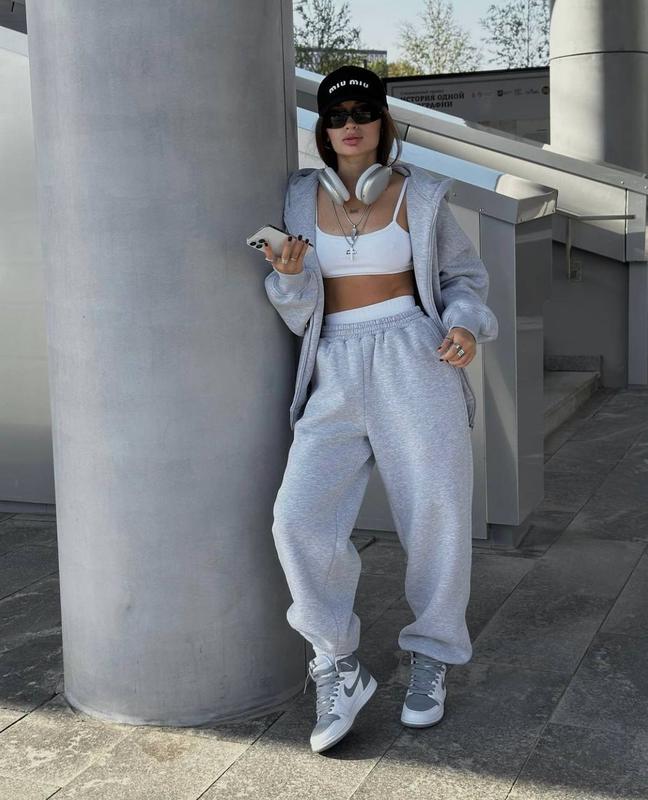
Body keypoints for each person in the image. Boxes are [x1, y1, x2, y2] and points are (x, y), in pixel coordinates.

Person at [257, 65, 498, 754]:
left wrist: (463, 324)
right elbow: (300, 313)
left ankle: (433, 655)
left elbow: (462, 278)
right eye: (337, 116)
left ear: (382, 122)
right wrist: (289, 280)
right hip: (332, 365)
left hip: (412, 359)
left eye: (363, 112)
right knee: (299, 517)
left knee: (436, 513)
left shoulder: (420, 194)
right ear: (323, 129)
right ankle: (336, 660)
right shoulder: (299, 196)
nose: (350, 124)